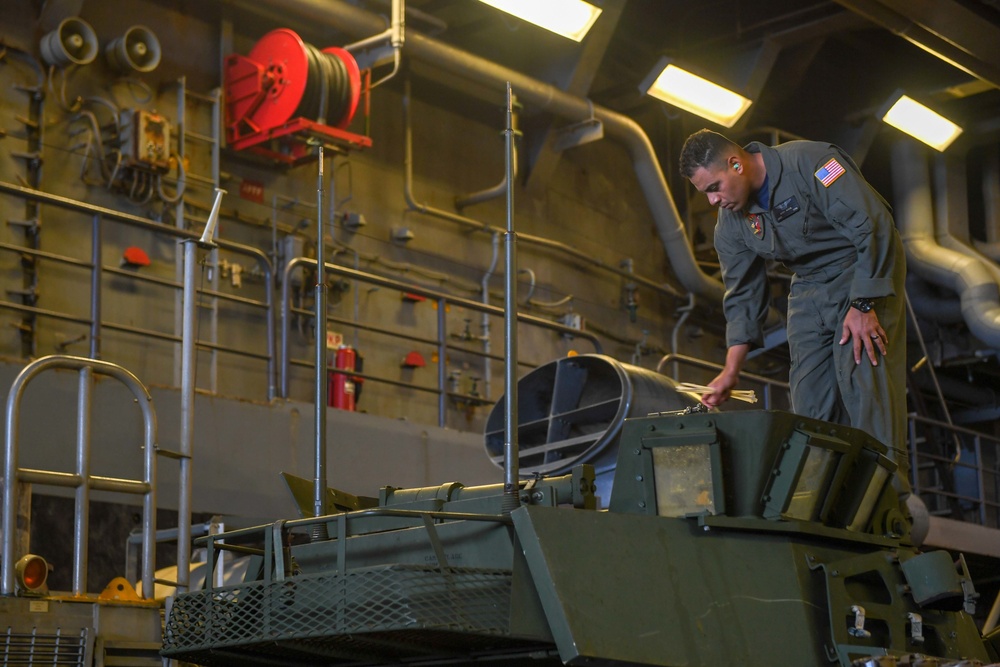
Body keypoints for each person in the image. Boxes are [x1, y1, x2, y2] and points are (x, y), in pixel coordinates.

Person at [678, 129, 908, 489]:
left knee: (865, 384)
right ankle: (823, 500)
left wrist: (864, 303)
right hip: (808, 288)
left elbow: (875, 226)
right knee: (810, 402)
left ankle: (884, 496)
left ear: (736, 164)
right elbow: (742, 295)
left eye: (714, 187)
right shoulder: (731, 226)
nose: (712, 201)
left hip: (862, 272)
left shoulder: (812, 163)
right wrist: (730, 371)